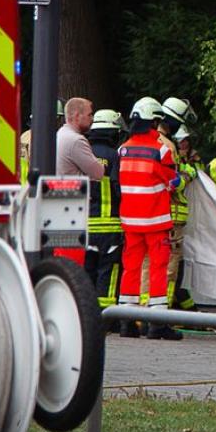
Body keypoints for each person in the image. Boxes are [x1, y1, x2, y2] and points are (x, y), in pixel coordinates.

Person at [117, 97, 182, 341]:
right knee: (158, 269)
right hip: (155, 221)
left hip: (130, 222)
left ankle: (127, 323)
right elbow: (172, 182)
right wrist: (182, 179)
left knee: (130, 269)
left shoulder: (123, 149)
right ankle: (157, 325)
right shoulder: (161, 149)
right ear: (154, 121)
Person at [85, 109, 124, 325]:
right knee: (108, 272)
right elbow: (120, 189)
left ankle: (87, 317)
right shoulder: (114, 156)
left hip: (85, 225)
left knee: (88, 271)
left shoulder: (83, 152)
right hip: (109, 226)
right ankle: (106, 318)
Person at [167, 124, 202, 313]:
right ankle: (167, 308)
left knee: (177, 266)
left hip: (180, 220)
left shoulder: (192, 159)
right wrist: (188, 174)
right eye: (181, 140)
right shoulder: (170, 156)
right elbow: (173, 183)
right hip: (170, 219)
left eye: (186, 140)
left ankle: (182, 306)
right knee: (171, 268)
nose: (184, 144)